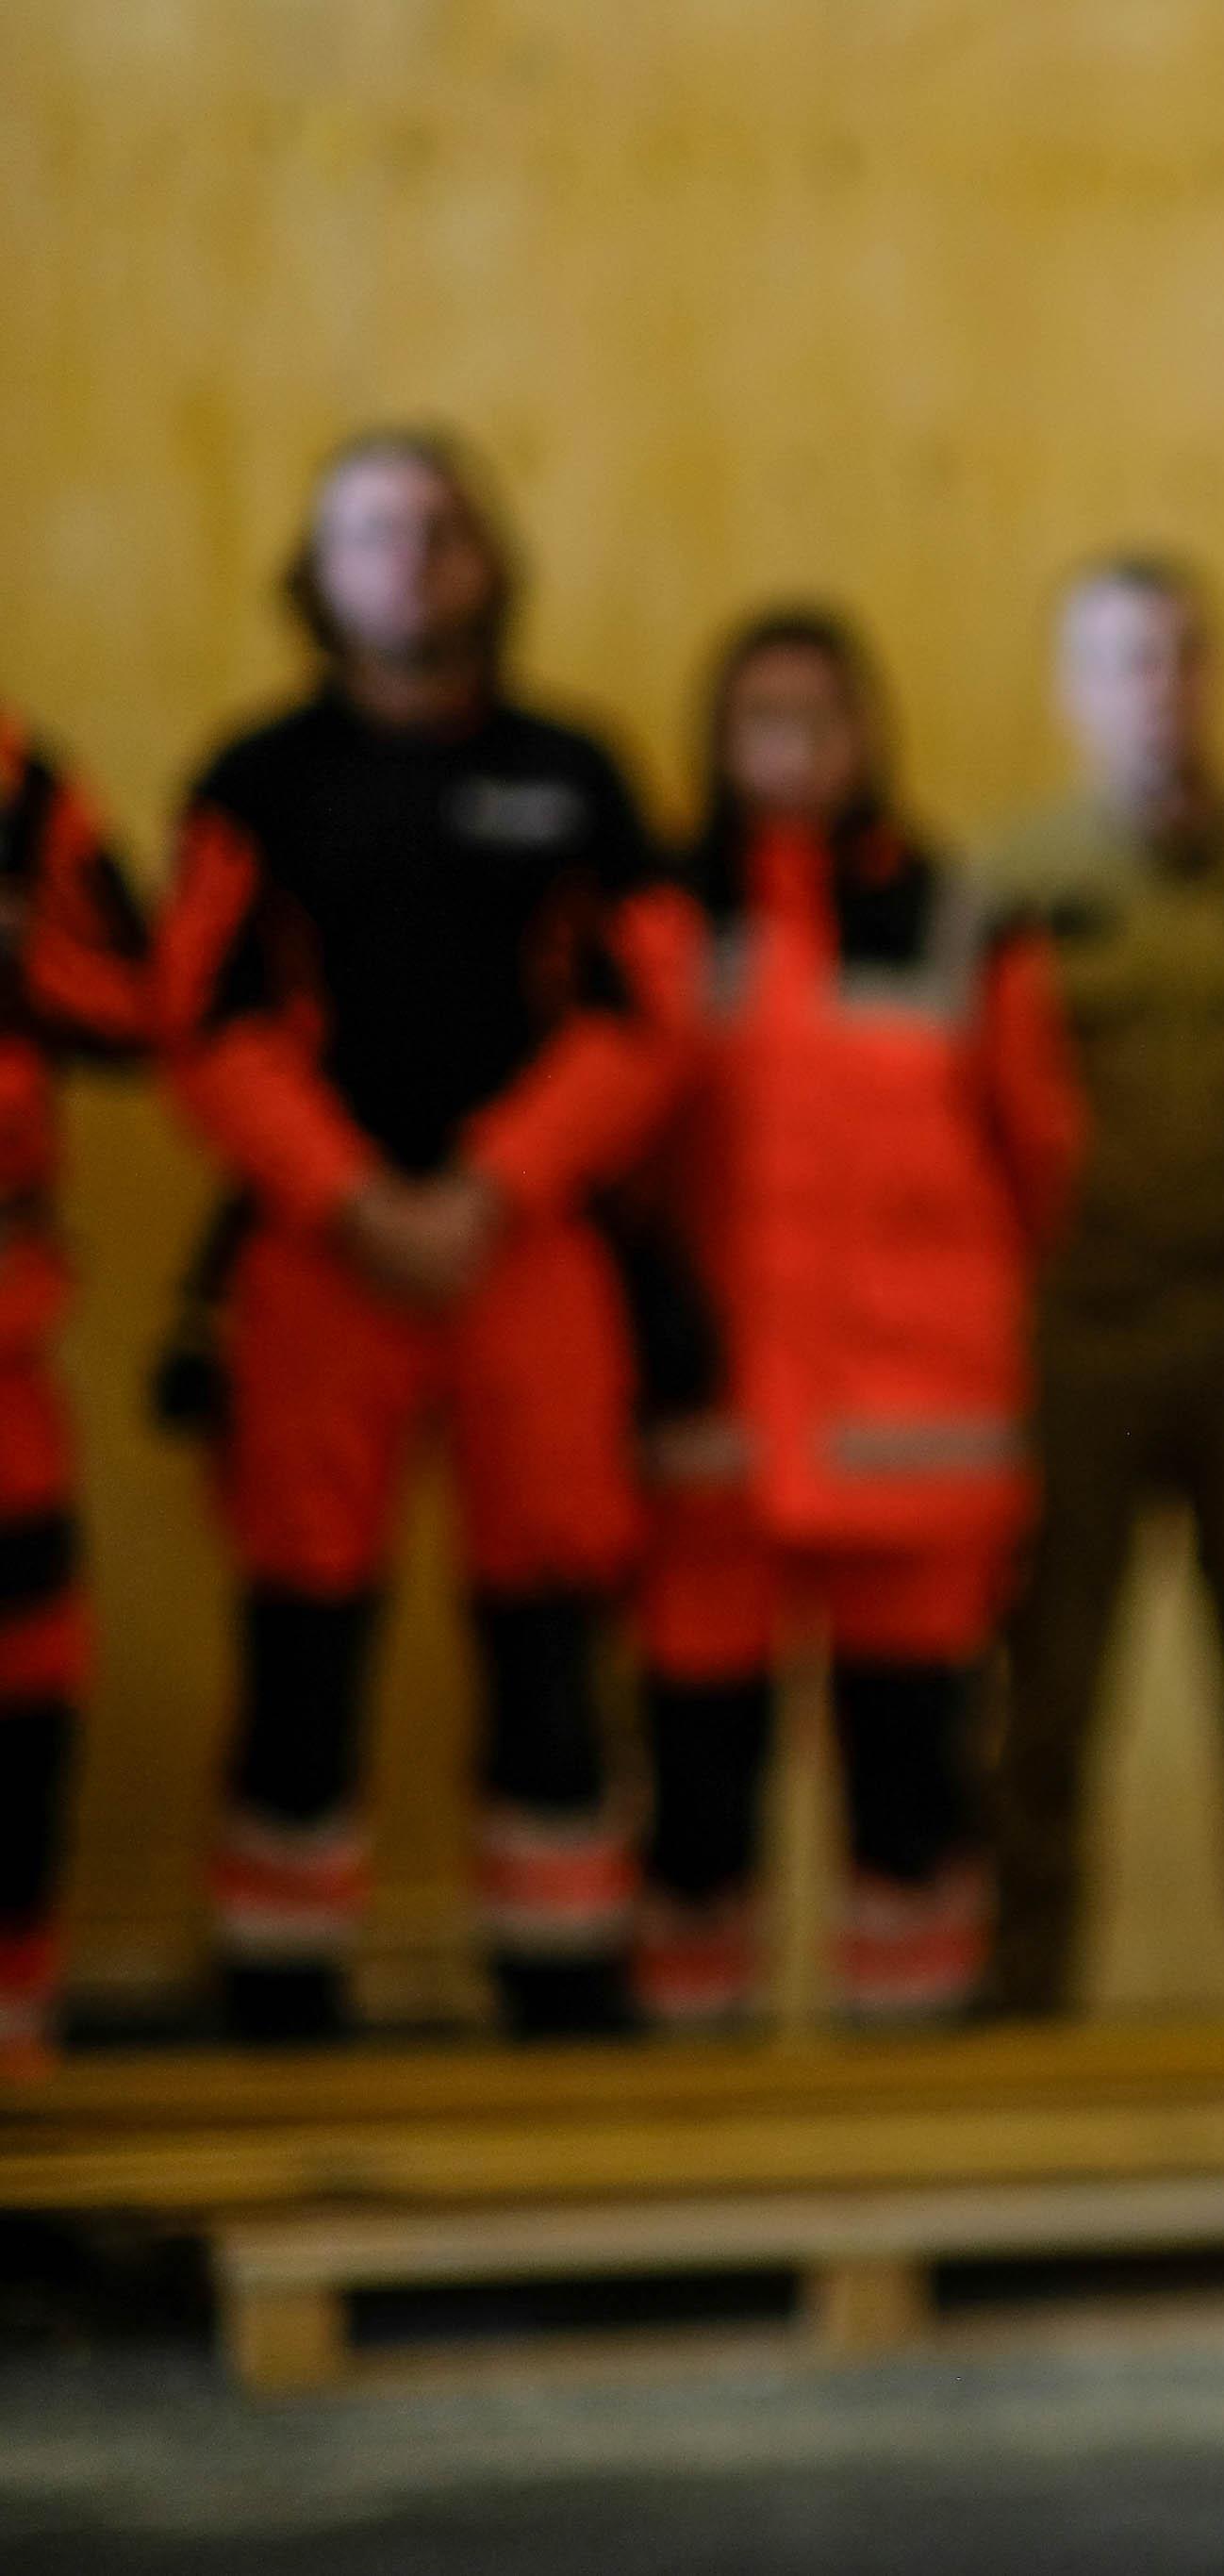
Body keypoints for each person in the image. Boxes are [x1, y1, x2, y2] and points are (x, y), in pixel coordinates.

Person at [157, 428, 688, 2042]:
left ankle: (564, 1992)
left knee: (552, 1635)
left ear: (489, 559)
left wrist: (495, 1183)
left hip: (530, 1252)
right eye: (368, 531)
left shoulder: (580, 772)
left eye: (438, 527)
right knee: (301, 1632)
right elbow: (204, 1023)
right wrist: (349, 1196)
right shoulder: (252, 781)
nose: (407, 558)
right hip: (318, 1258)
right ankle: (278, 1995)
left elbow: (647, 1017)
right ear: (317, 575)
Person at [622, 610, 1082, 2030]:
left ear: (867, 731)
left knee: (913, 1807)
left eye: (819, 716)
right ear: (717, 740)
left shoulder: (957, 918)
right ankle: (687, 2097)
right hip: (711, 1442)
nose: (793, 748)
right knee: (697, 1803)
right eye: (760, 718)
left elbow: (1041, 1154)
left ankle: (910, 2086)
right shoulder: (662, 920)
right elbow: (617, 1151)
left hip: (914, 1448)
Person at [975, 557, 1224, 2016]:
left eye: (1181, 654)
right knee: (1046, 1689)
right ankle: (1018, 2003)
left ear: (1219, 673)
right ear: (1073, 690)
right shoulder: (1010, 885)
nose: (1157, 687)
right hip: (1073, 1331)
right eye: (1120, 659)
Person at [0, 709, 154, 2076]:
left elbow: (144, 999)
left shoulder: (17, 780)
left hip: (7, 1368)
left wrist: (19, 952)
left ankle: (16, 2055)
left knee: (22, 1709)